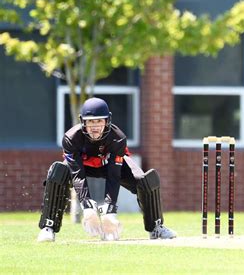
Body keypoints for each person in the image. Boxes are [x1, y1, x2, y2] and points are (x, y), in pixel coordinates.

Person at [37, 97, 177, 242]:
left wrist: (109, 211)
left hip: (108, 165)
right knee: (57, 173)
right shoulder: (71, 138)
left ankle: (156, 227)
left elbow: (114, 176)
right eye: (90, 121)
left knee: (147, 181)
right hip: (83, 167)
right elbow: (77, 174)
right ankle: (48, 227)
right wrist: (87, 207)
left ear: (107, 120)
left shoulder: (118, 138)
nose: (95, 126)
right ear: (83, 122)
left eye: (99, 121)